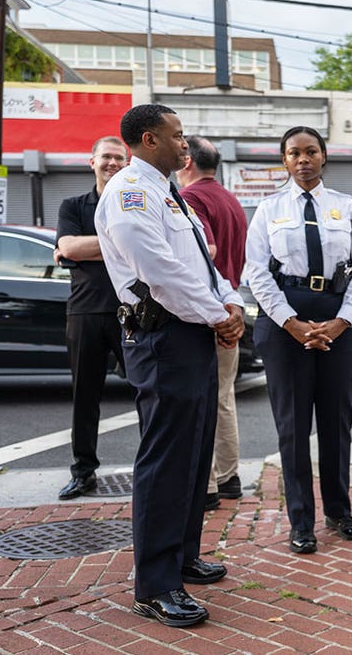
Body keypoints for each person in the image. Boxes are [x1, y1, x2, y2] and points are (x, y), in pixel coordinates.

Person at [95, 104, 245, 628]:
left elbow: (202, 264)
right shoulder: (129, 193)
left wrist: (230, 304)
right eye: (177, 136)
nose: (186, 145)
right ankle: (156, 586)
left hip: (194, 332)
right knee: (165, 462)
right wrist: (215, 314)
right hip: (163, 336)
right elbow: (158, 270)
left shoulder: (169, 193)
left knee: (193, 452)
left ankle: (183, 556)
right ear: (147, 138)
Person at [244, 125, 352, 555]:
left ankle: (339, 511)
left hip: (337, 313)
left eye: (311, 152)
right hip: (285, 322)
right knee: (293, 427)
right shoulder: (268, 209)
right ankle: (301, 521)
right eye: (293, 153)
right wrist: (290, 322)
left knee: (336, 422)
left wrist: (342, 321)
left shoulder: (347, 207)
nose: (302, 159)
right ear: (284, 160)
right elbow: (257, 273)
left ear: (324, 158)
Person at [177, 134, 249, 511]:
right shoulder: (230, 199)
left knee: (200, 401)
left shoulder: (190, 198)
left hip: (206, 313)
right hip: (231, 308)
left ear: (187, 161)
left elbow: (208, 250)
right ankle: (229, 477)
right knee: (223, 397)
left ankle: (205, 486)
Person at [54, 136, 128, 500]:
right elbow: (68, 247)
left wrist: (85, 247)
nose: (112, 163)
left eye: (119, 158)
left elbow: (74, 249)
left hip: (132, 310)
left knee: (149, 393)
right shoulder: (73, 205)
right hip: (84, 311)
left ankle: (155, 469)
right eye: (106, 157)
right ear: (92, 161)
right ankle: (83, 472)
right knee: (85, 397)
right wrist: (122, 242)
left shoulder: (134, 203)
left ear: (128, 164)